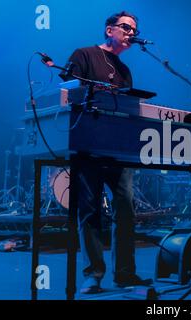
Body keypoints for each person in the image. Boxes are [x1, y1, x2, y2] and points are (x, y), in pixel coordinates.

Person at [60, 11, 152, 294]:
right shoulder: (84, 55)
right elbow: (65, 89)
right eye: (126, 27)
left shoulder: (125, 71)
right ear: (109, 29)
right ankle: (93, 275)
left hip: (117, 149)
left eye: (134, 29)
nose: (131, 33)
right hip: (88, 145)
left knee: (126, 208)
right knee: (90, 211)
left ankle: (124, 273)